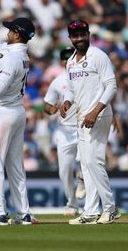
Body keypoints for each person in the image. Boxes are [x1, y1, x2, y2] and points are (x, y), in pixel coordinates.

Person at [0, 17, 35, 226]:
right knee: (15, 165)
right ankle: (23, 212)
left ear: (17, 34)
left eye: (11, 30)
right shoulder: (22, 54)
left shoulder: (11, 57)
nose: (7, 32)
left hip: (2, 112)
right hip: (17, 111)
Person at [60, 20, 120, 225]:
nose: (79, 39)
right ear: (70, 38)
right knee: (86, 165)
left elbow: (111, 86)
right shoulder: (70, 62)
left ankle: (110, 208)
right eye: (75, 36)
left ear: (88, 34)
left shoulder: (99, 56)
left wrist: (95, 111)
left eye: (82, 34)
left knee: (94, 163)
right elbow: (71, 88)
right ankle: (91, 211)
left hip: (98, 115)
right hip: (82, 117)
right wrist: (67, 101)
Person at [43, 47, 83, 216]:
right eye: (65, 59)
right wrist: (52, 110)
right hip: (64, 131)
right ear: (61, 62)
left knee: (86, 162)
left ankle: (82, 178)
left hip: (83, 127)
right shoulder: (57, 82)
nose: (68, 62)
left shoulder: (85, 77)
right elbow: (47, 104)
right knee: (64, 171)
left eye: (71, 58)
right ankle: (72, 204)